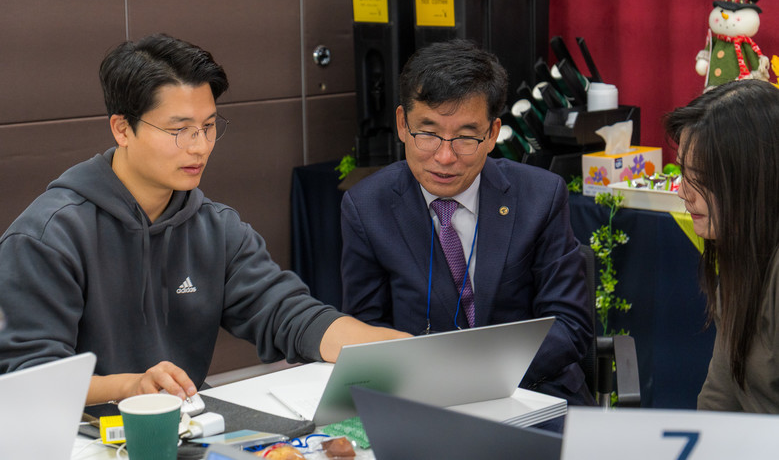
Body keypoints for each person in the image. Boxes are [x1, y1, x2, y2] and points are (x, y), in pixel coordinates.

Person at [0, 33, 407, 406]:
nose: (199, 147)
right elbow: (30, 382)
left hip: (188, 427)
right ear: (122, 129)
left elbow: (289, 315)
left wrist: (394, 349)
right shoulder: (48, 237)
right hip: (83, 438)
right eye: (179, 130)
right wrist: (132, 387)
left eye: (209, 127)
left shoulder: (216, 228)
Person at [340, 39, 595, 407]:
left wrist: (476, 377)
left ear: (492, 134)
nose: (445, 157)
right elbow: (365, 333)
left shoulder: (540, 196)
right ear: (402, 124)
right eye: (428, 134)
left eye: (464, 137)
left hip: (532, 391)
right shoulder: (367, 207)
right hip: (424, 399)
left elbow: (569, 326)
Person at [663, 79, 779, 412]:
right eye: (682, 171)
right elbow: (720, 391)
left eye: (699, 177)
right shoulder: (741, 252)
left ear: (752, 177)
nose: (683, 192)